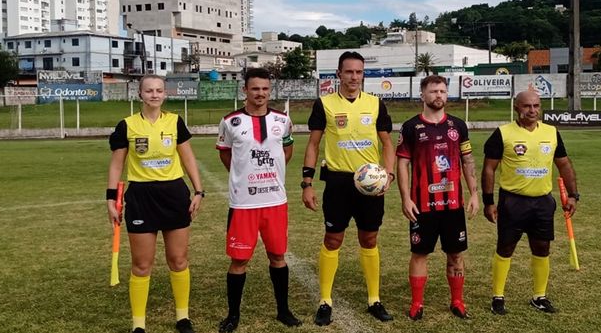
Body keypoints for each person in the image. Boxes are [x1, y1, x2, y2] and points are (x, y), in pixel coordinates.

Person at [301, 51, 396, 326]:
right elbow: (313, 144)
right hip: (338, 182)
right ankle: (325, 300)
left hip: (369, 185)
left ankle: (374, 299)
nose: (354, 77)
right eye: (349, 71)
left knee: (369, 239)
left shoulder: (375, 104)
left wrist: (388, 174)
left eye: (359, 72)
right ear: (339, 74)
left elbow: (387, 144)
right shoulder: (324, 104)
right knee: (333, 239)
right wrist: (307, 183)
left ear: (363, 74)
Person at [107, 74, 206, 333]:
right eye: (149, 90)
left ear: (165, 94)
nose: (154, 95)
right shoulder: (127, 126)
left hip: (173, 194)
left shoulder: (175, 121)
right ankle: (138, 325)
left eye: (159, 90)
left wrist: (199, 191)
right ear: (139, 94)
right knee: (142, 265)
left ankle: (183, 318)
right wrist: (111, 199)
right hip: (141, 197)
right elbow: (117, 164)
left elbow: (188, 158)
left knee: (179, 260)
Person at [215, 68, 302, 332]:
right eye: (255, 88)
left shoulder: (282, 120)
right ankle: (233, 315)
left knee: (277, 255)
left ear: (269, 90)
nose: (260, 93)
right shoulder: (230, 122)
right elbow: (226, 155)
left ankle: (283, 310)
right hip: (244, 203)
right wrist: (242, 175)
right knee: (239, 260)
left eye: (265, 88)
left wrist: (272, 173)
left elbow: (287, 151)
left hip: (275, 201)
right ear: (245, 90)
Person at [481, 89, 579, 315]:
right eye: (527, 106)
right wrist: (488, 201)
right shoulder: (503, 133)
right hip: (512, 201)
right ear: (516, 107)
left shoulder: (551, 132)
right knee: (505, 247)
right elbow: (489, 169)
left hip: (542, 202)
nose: (532, 110)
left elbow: (563, 164)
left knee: (542, 248)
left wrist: (573, 194)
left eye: (536, 105)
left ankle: (539, 296)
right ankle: (498, 297)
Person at [395, 75, 479, 321]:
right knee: (419, 254)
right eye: (433, 91)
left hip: (453, 205)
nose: (438, 95)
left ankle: (457, 301)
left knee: (456, 254)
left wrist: (474, 193)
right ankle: (417, 304)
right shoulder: (411, 127)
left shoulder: (458, 126)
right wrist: (405, 198)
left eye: (442, 91)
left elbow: (467, 161)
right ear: (422, 95)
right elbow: (403, 164)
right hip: (422, 206)